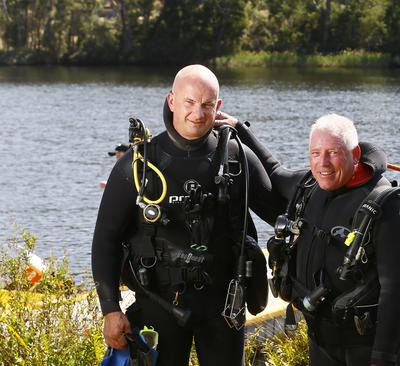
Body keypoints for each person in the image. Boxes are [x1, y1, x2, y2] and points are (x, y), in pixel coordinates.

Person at [92, 64, 281, 365]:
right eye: (189, 102)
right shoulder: (140, 164)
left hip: (223, 305)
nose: (198, 112)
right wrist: (110, 310)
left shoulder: (236, 158)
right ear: (171, 101)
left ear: (217, 106)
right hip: (158, 301)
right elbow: (105, 240)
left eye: (207, 105)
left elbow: (281, 213)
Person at [221, 113, 400, 366]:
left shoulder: (387, 208)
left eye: (332, 152)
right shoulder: (311, 187)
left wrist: (383, 359)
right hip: (321, 341)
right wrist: (239, 129)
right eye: (315, 153)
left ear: (354, 154)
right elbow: (275, 171)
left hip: (364, 349)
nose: (323, 163)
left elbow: (397, 293)